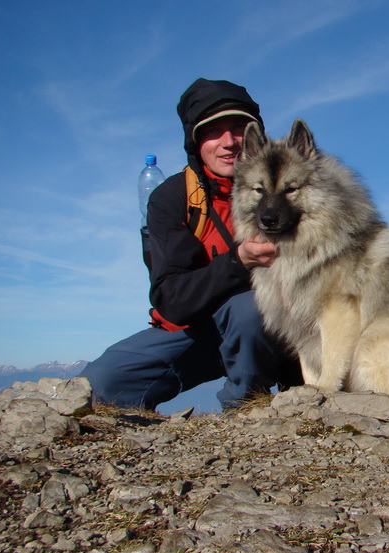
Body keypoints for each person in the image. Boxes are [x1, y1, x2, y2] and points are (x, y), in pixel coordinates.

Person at [80, 78, 298, 411]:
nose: (229, 142)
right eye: (213, 131)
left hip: (279, 327)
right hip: (197, 329)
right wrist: (238, 260)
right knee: (101, 385)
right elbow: (171, 299)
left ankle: (246, 412)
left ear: (257, 136)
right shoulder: (173, 197)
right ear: (194, 141)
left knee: (248, 311)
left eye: (240, 127)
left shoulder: (294, 189)